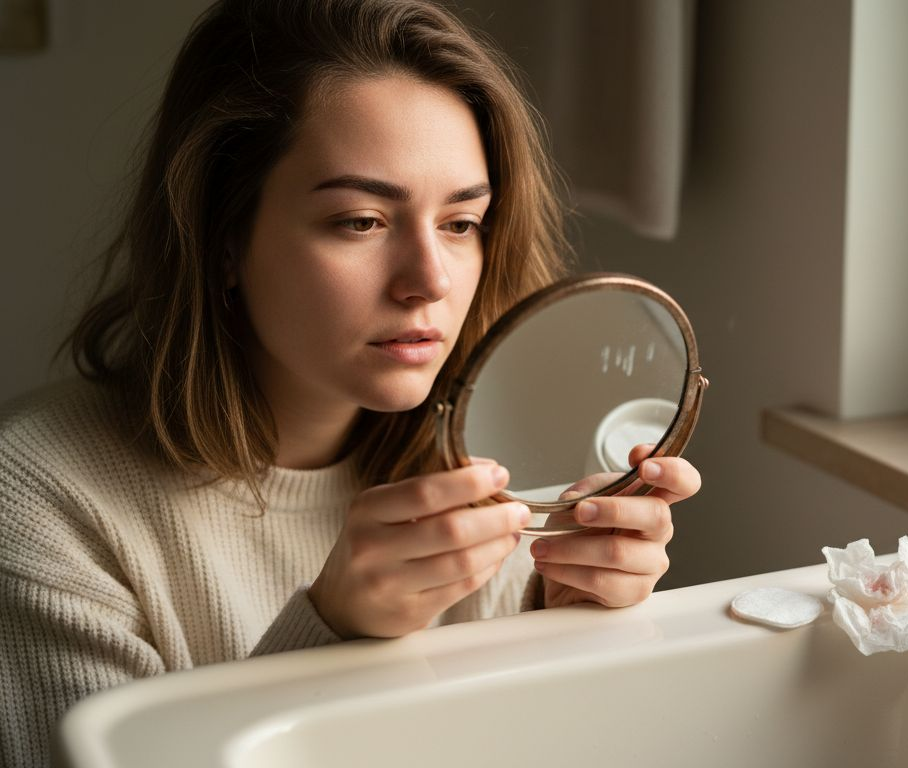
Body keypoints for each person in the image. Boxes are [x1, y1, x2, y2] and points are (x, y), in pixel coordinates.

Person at [0, 1, 700, 764]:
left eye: (461, 223)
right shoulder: (41, 502)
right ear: (223, 237)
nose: (429, 280)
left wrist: (558, 624)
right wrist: (333, 637)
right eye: (362, 221)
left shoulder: (493, 463)